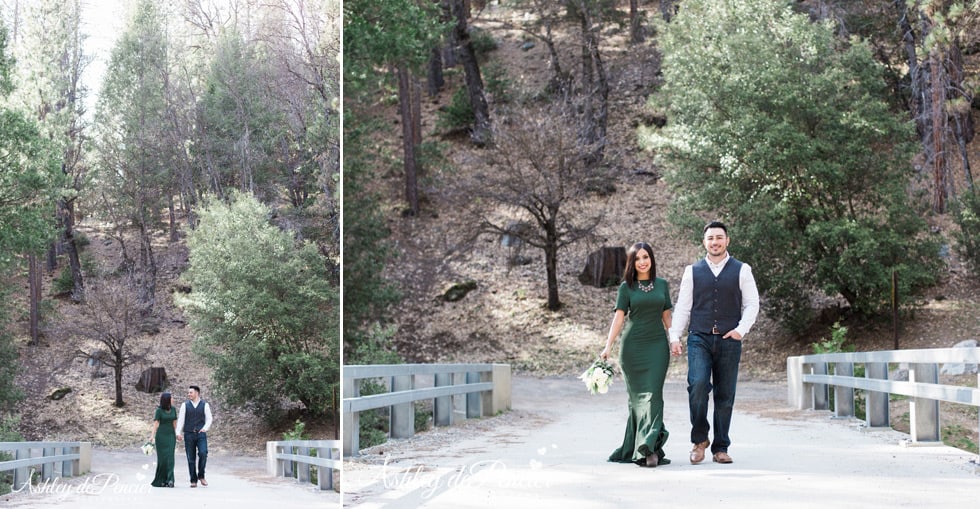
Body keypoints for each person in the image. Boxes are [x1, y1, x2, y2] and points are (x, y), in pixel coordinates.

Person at [668, 221, 759, 464]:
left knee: (725, 394)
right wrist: (674, 336)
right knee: (697, 386)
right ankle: (699, 440)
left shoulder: (742, 270)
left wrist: (741, 330)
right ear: (704, 242)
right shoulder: (692, 271)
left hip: (730, 339)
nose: (715, 242)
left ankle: (720, 447)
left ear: (727, 241)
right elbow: (683, 306)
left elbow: (752, 303)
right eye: (710, 238)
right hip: (699, 338)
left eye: (719, 237)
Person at [601, 242, 677, 468]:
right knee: (637, 401)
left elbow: (667, 318)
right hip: (632, 348)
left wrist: (674, 340)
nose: (642, 261)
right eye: (637, 258)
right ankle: (643, 448)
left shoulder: (662, 285)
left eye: (646, 257)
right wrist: (608, 346)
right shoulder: (626, 288)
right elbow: (619, 319)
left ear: (651, 259)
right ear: (632, 263)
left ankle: (649, 448)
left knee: (654, 396)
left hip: (657, 348)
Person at [175, 385, 213, 487]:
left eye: (191, 392)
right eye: (188, 393)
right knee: (191, 458)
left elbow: (209, 418)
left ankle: (201, 475)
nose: (189, 394)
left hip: (201, 434)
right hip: (189, 434)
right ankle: (193, 480)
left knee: (203, 453)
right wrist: (178, 433)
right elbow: (181, 420)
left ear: (197, 393)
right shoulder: (185, 405)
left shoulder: (205, 405)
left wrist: (205, 428)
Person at [149, 392, 177, 487]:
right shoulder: (159, 411)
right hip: (161, 436)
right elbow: (156, 424)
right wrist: (152, 436)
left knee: (170, 457)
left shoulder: (173, 410)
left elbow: (174, 423)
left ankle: (170, 480)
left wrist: (177, 434)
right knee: (162, 459)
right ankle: (161, 480)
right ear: (167, 400)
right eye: (171, 398)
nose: (173, 399)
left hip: (171, 436)